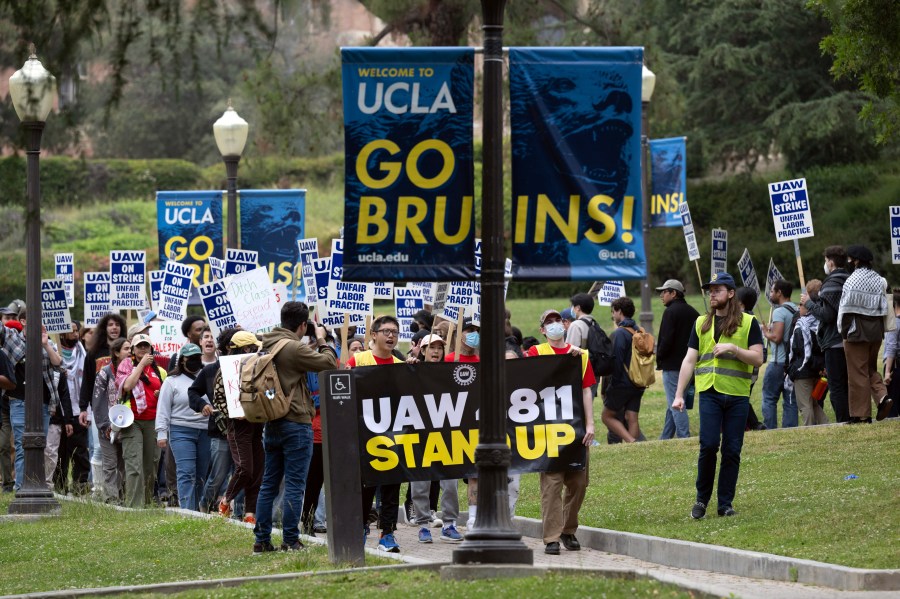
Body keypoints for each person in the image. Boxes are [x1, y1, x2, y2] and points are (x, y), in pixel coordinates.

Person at [673, 273, 764, 519]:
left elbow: (758, 358)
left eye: (718, 290)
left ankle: (725, 504)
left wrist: (734, 349)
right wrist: (679, 394)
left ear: (731, 293)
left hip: (737, 394)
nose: (712, 294)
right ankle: (701, 500)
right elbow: (690, 359)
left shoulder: (748, 322)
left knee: (732, 450)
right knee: (709, 445)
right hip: (710, 393)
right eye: (710, 290)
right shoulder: (701, 322)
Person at [253, 302, 337, 554]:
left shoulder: (266, 343)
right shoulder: (292, 347)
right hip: (296, 422)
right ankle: (290, 539)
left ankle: (262, 540)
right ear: (302, 325)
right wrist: (322, 340)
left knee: (269, 483)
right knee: (294, 485)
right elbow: (330, 363)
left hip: (272, 421)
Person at [526, 308, 596, 554]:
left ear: (565, 326)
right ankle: (552, 538)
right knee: (552, 485)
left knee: (578, 482)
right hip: (548, 430)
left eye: (558, 320)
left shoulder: (581, 356)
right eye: (549, 322)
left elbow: (587, 390)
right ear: (542, 330)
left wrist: (590, 424)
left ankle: (568, 530)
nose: (555, 325)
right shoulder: (535, 353)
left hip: (575, 428)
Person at [347, 315, 406, 553]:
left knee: (392, 487)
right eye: (386, 331)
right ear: (374, 334)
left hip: (394, 436)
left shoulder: (401, 367)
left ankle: (388, 533)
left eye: (395, 332)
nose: (391, 336)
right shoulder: (358, 360)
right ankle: (359, 528)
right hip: (365, 437)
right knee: (366, 486)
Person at [837, 245, 892, 422]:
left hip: (856, 333)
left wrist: (843, 332)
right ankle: (883, 397)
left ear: (857, 261)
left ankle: (861, 416)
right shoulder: (880, 280)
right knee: (870, 369)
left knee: (857, 373)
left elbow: (844, 311)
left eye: (851, 258)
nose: (849, 261)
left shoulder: (852, 281)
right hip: (876, 333)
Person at [188, 328, 238, 514]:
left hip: (245, 430)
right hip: (220, 431)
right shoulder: (210, 370)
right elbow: (193, 391)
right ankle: (205, 505)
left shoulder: (248, 367)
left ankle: (240, 512)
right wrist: (202, 405)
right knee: (218, 475)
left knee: (243, 473)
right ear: (227, 347)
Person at [155, 343, 210, 511]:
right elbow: (163, 408)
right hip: (180, 430)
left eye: (197, 358)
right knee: (186, 472)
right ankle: (187, 510)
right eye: (190, 358)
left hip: (206, 430)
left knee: (201, 474)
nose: (195, 361)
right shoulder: (171, 382)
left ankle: (197, 510)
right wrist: (161, 433)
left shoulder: (208, 377)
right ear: (182, 361)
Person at [218, 332, 265, 524]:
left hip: (257, 423)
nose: (257, 350)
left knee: (257, 470)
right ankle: (225, 501)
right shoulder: (225, 370)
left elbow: (268, 391)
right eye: (254, 347)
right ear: (246, 349)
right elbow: (219, 399)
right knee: (245, 468)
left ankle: (250, 514)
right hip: (238, 426)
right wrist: (232, 412)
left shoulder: (259, 367)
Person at [800, 246, 851, 422]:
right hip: (850, 340)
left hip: (834, 342)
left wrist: (809, 304)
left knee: (836, 386)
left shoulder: (830, 284)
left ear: (830, 262)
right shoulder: (849, 279)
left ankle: (843, 420)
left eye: (825, 260)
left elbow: (827, 315)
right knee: (848, 383)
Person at [117, 333, 166, 508]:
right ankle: (134, 507)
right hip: (133, 421)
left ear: (151, 349)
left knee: (151, 465)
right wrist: (141, 365)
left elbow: (165, 395)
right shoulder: (126, 365)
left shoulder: (159, 370)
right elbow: (127, 386)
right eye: (139, 346)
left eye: (146, 346)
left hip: (153, 420)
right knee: (134, 464)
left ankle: (146, 503)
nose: (143, 349)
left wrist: (160, 395)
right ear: (133, 350)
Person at [655, 279, 699, 439]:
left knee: (677, 404)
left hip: (673, 366)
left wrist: (658, 355)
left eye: (664, 291)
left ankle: (684, 437)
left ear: (673, 293)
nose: (661, 295)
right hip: (690, 365)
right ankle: (665, 438)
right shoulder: (693, 312)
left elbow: (666, 340)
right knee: (674, 402)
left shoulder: (670, 312)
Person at [600, 297, 646, 443]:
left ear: (620, 311)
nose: (612, 316)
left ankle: (630, 441)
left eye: (613, 312)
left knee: (606, 416)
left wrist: (612, 385)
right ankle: (634, 448)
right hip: (639, 381)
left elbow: (617, 360)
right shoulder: (638, 330)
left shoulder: (620, 333)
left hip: (623, 382)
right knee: (631, 417)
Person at [92, 337, 130, 503]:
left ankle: (123, 496)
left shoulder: (133, 371)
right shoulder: (105, 372)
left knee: (124, 464)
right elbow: (97, 400)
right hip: (108, 427)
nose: (130, 352)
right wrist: (104, 425)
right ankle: (110, 498)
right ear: (116, 352)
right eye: (126, 349)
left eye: (130, 349)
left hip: (128, 426)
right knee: (110, 463)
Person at [786, 281, 829, 426]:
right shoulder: (821, 324)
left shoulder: (801, 326)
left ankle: (810, 430)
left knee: (805, 405)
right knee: (814, 403)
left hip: (803, 370)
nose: (799, 308)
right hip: (818, 369)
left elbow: (800, 352)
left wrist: (790, 368)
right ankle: (826, 426)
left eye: (801, 304)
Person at [760, 279, 798, 429]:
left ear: (779, 293)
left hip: (778, 362)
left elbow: (777, 337)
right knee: (790, 400)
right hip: (792, 362)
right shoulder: (796, 310)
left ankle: (770, 429)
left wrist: (766, 333)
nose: (770, 294)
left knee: (769, 398)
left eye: (772, 291)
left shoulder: (779, 311)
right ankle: (790, 429)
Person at [882, 289, 900, 418]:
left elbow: (891, 347)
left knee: (892, 405)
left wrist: (887, 371)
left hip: (895, 367)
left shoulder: (894, 323)